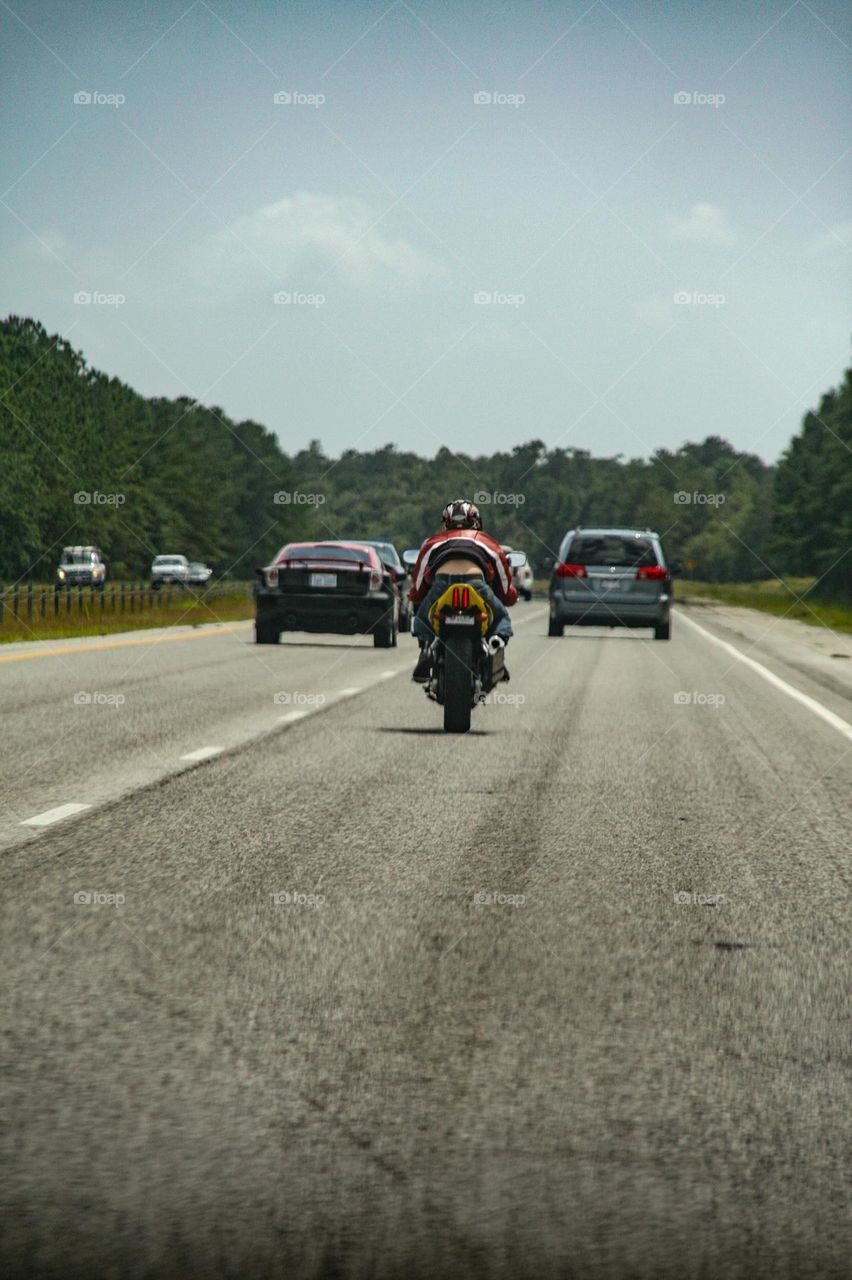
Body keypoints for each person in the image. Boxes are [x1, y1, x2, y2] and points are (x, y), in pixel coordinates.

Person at [409, 499, 517, 682]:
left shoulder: (432, 542)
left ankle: (426, 650)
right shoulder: (486, 541)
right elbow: (504, 583)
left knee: (421, 619)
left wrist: (416, 597)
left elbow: (418, 584)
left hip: (442, 584)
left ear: (446, 523)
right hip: (475, 582)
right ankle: (495, 644)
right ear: (476, 522)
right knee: (501, 618)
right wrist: (509, 596)